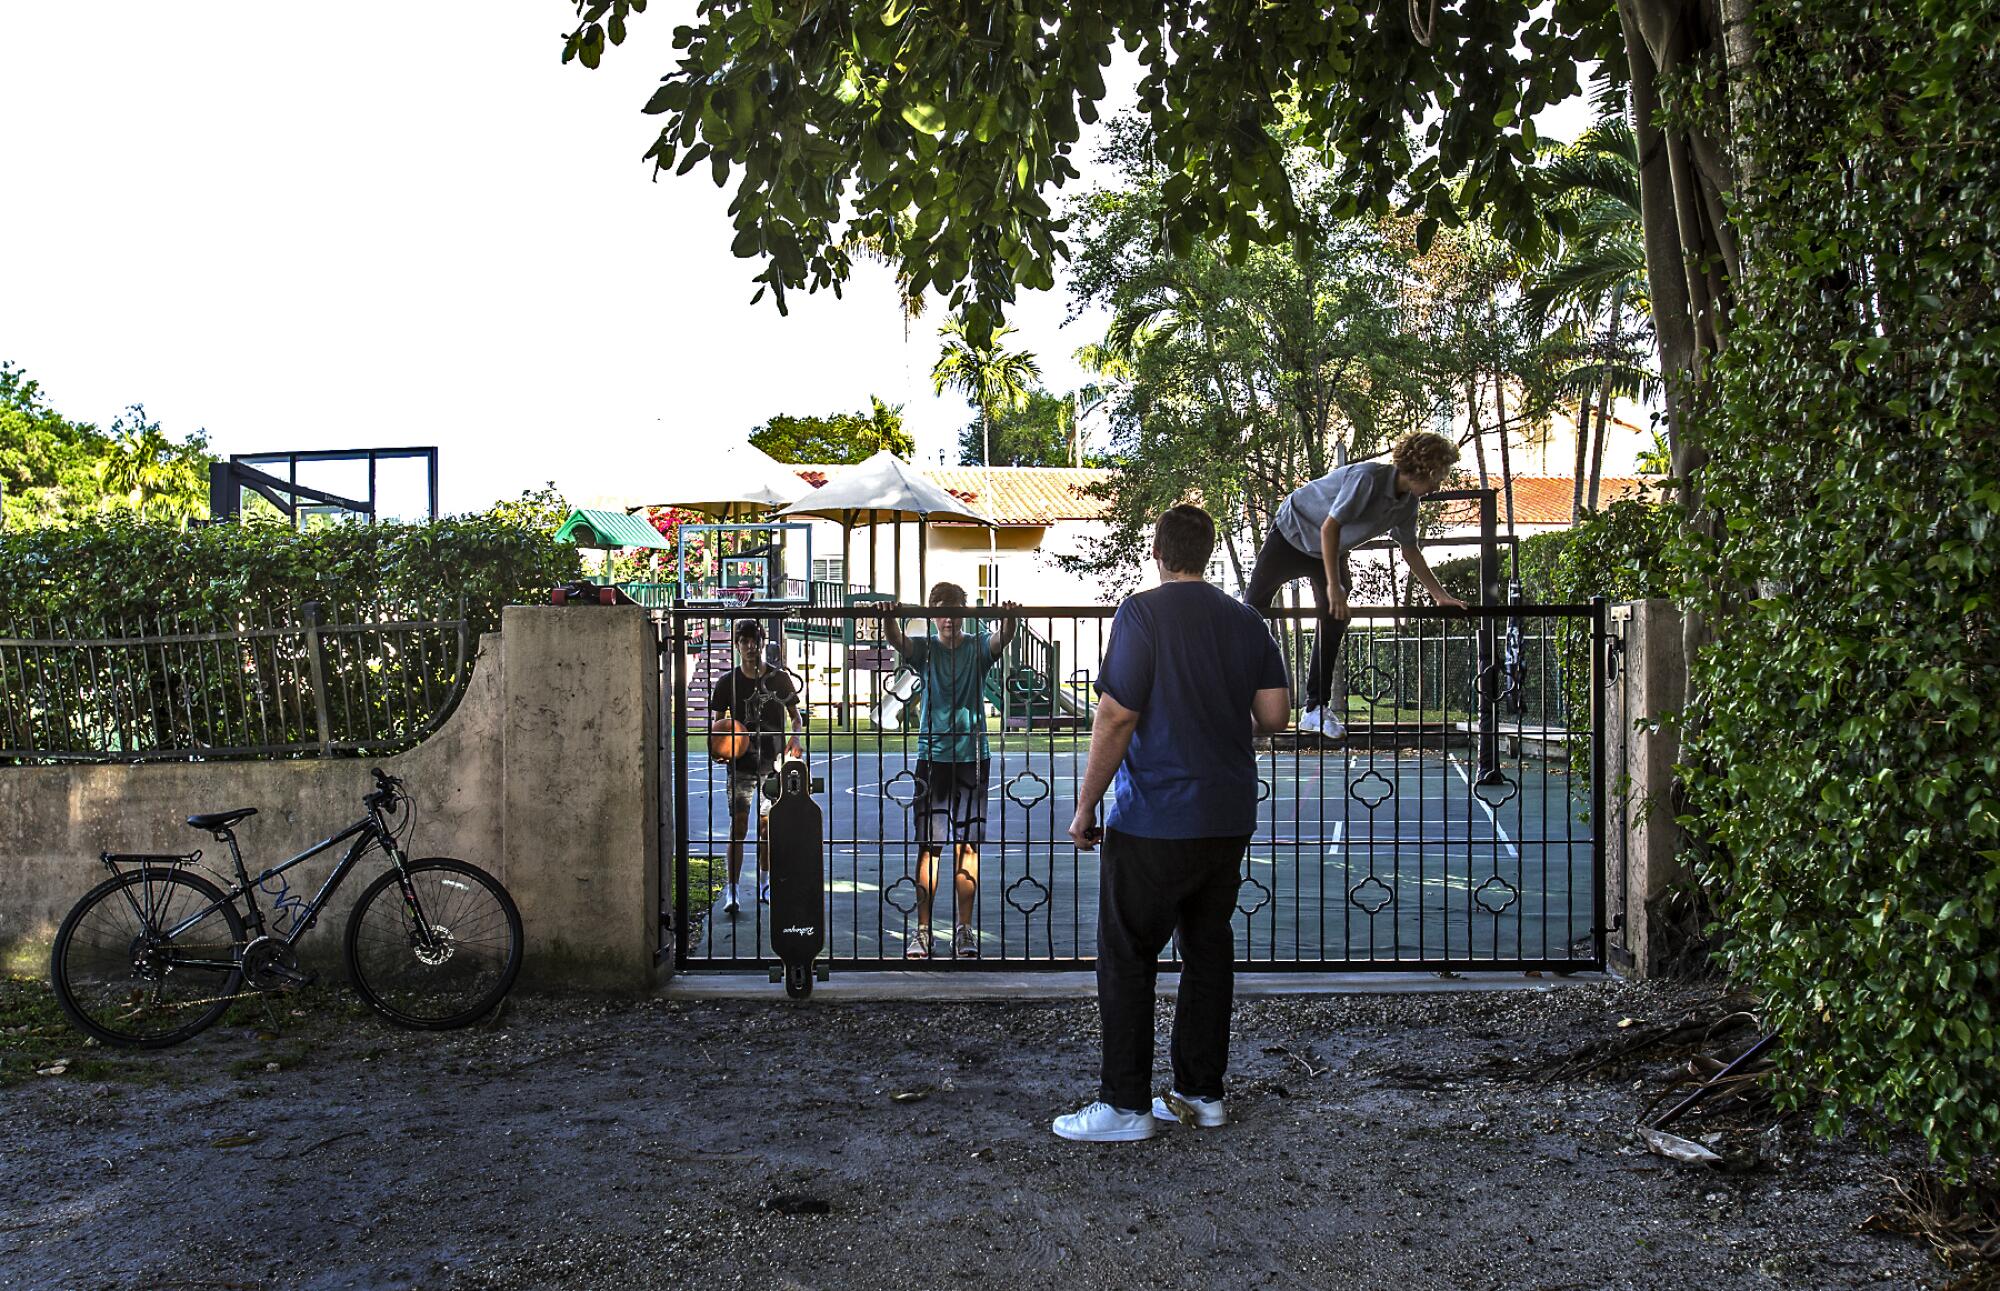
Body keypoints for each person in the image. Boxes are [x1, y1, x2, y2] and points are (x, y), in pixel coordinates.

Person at [1055, 505, 1291, 1143]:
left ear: (1158, 552)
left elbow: (1117, 714)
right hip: (1227, 814)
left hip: (1156, 817)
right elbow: (1274, 715)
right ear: (1209, 553)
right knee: (1208, 950)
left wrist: (1084, 807)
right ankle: (1200, 1094)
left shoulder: (1141, 614)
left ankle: (1125, 1106)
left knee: (1128, 954)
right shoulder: (1247, 621)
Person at [1245, 430, 1466, 738]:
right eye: (1440, 476)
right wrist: (1334, 585)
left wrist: (1439, 595)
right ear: (1426, 469)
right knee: (1251, 610)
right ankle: (1239, 696)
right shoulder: (1368, 478)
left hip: (1328, 547)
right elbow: (1330, 526)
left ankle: (1314, 709)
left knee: (1336, 615)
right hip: (1292, 532)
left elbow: (1409, 549)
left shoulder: (1407, 504)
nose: (1439, 484)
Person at [883, 583, 1019, 959]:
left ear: (965, 611)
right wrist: (889, 616)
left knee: (968, 845)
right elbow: (897, 640)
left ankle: (964, 929)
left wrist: (1009, 617)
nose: (948, 618)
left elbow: (1001, 638)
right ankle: (924, 931)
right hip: (933, 757)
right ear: (932, 615)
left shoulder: (976, 647)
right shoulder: (925, 650)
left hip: (973, 756)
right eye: (940, 610)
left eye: (955, 609)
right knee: (930, 847)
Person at [708, 618, 803, 914]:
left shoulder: (778, 679)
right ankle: (733, 891)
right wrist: (717, 749)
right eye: (744, 641)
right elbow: (716, 725)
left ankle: (764, 885)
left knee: (767, 828)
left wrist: (795, 738)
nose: (751, 646)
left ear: (762, 643)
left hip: (772, 765)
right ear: (737, 645)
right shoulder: (727, 683)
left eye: (755, 640)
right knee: (738, 827)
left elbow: (796, 717)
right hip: (740, 766)